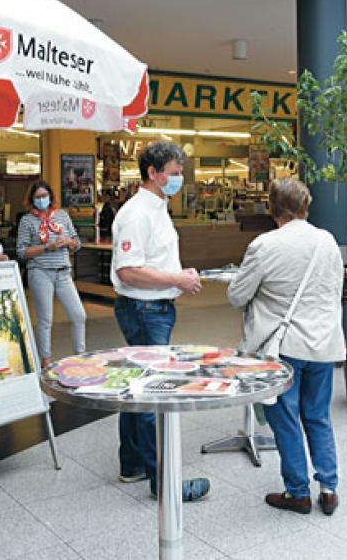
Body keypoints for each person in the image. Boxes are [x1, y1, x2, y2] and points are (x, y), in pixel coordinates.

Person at [227, 178, 346, 516]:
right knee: (318, 416)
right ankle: (328, 487)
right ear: (306, 205)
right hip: (323, 344)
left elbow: (237, 296)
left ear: (272, 207)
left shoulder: (264, 245)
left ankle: (297, 492)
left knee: (286, 419)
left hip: (286, 348)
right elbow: (333, 291)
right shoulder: (327, 241)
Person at [110, 140, 209, 503]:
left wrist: (177, 273)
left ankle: (132, 463)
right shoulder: (137, 213)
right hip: (145, 311)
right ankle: (162, 482)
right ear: (152, 173)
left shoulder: (158, 208)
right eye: (174, 174)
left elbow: (152, 261)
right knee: (153, 393)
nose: (178, 180)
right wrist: (176, 280)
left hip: (152, 309)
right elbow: (129, 270)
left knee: (136, 386)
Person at [17, 180, 86, 366]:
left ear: (51, 197)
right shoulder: (27, 220)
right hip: (40, 272)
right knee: (45, 319)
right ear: (31, 199)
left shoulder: (62, 216)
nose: (41, 200)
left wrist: (68, 242)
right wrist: (47, 247)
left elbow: (77, 243)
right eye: (37, 197)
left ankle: (80, 355)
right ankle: (45, 360)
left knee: (79, 315)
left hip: (63, 272)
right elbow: (22, 251)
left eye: (44, 196)